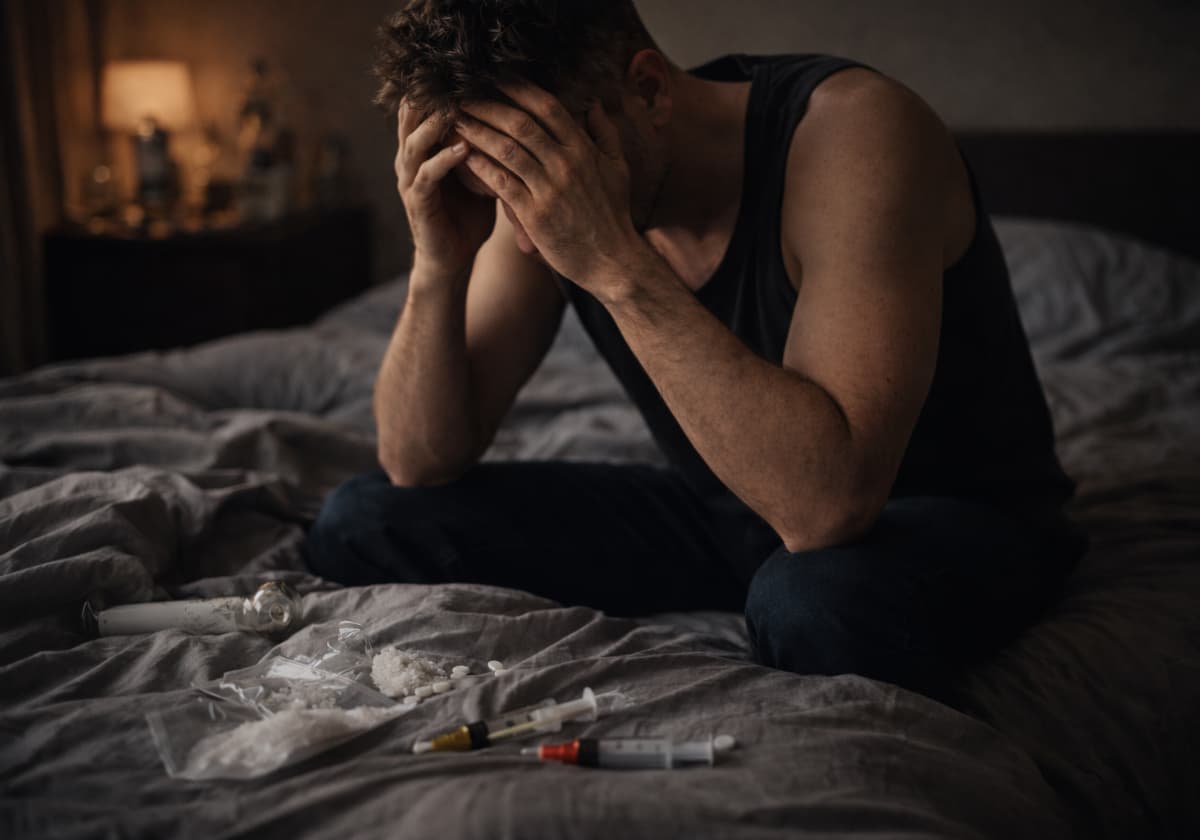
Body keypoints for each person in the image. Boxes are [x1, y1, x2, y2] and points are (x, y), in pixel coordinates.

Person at [304, 0, 1085, 701]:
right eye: (496, 177)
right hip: (733, 510)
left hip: (935, 515)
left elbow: (827, 507)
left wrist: (612, 262)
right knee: (368, 517)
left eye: (537, 169)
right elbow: (419, 459)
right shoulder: (531, 193)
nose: (521, 212)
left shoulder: (856, 133)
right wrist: (438, 265)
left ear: (647, 89)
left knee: (813, 602)